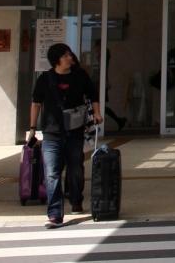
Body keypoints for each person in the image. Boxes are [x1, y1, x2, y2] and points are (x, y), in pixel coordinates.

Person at [28, 43, 101, 229]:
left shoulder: (80, 76)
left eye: (70, 55)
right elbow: (36, 103)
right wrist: (32, 128)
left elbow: (93, 95)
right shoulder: (45, 79)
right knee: (52, 173)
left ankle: (76, 199)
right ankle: (55, 214)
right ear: (57, 60)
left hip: (75, 131)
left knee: (75, 168)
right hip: (51, 133)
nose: (70, 58)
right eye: (66, 55)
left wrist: (97, 113)